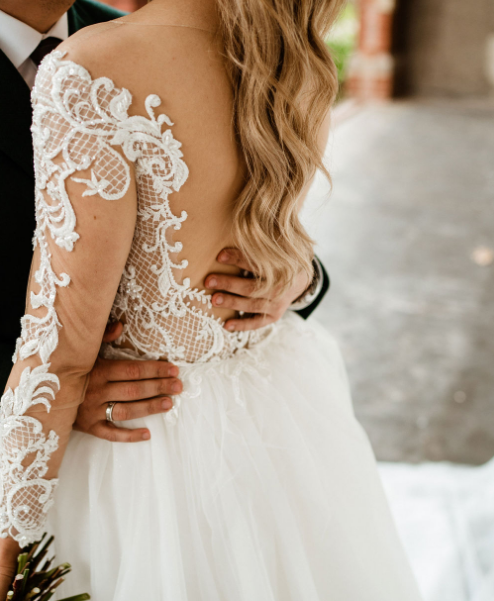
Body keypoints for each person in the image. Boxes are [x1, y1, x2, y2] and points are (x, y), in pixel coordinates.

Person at [0, 0, 423, 599]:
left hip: (152, 458)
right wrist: (61, 398)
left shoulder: (97, 54)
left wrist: (292, 279)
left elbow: (56, 350)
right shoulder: (292, 52)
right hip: (267, 426)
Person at [0, 0, 329, 444]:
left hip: (201, 429)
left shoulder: (145, 41)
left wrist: (294, 277)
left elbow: (240, 218)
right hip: (47, 438)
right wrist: (53, 391)